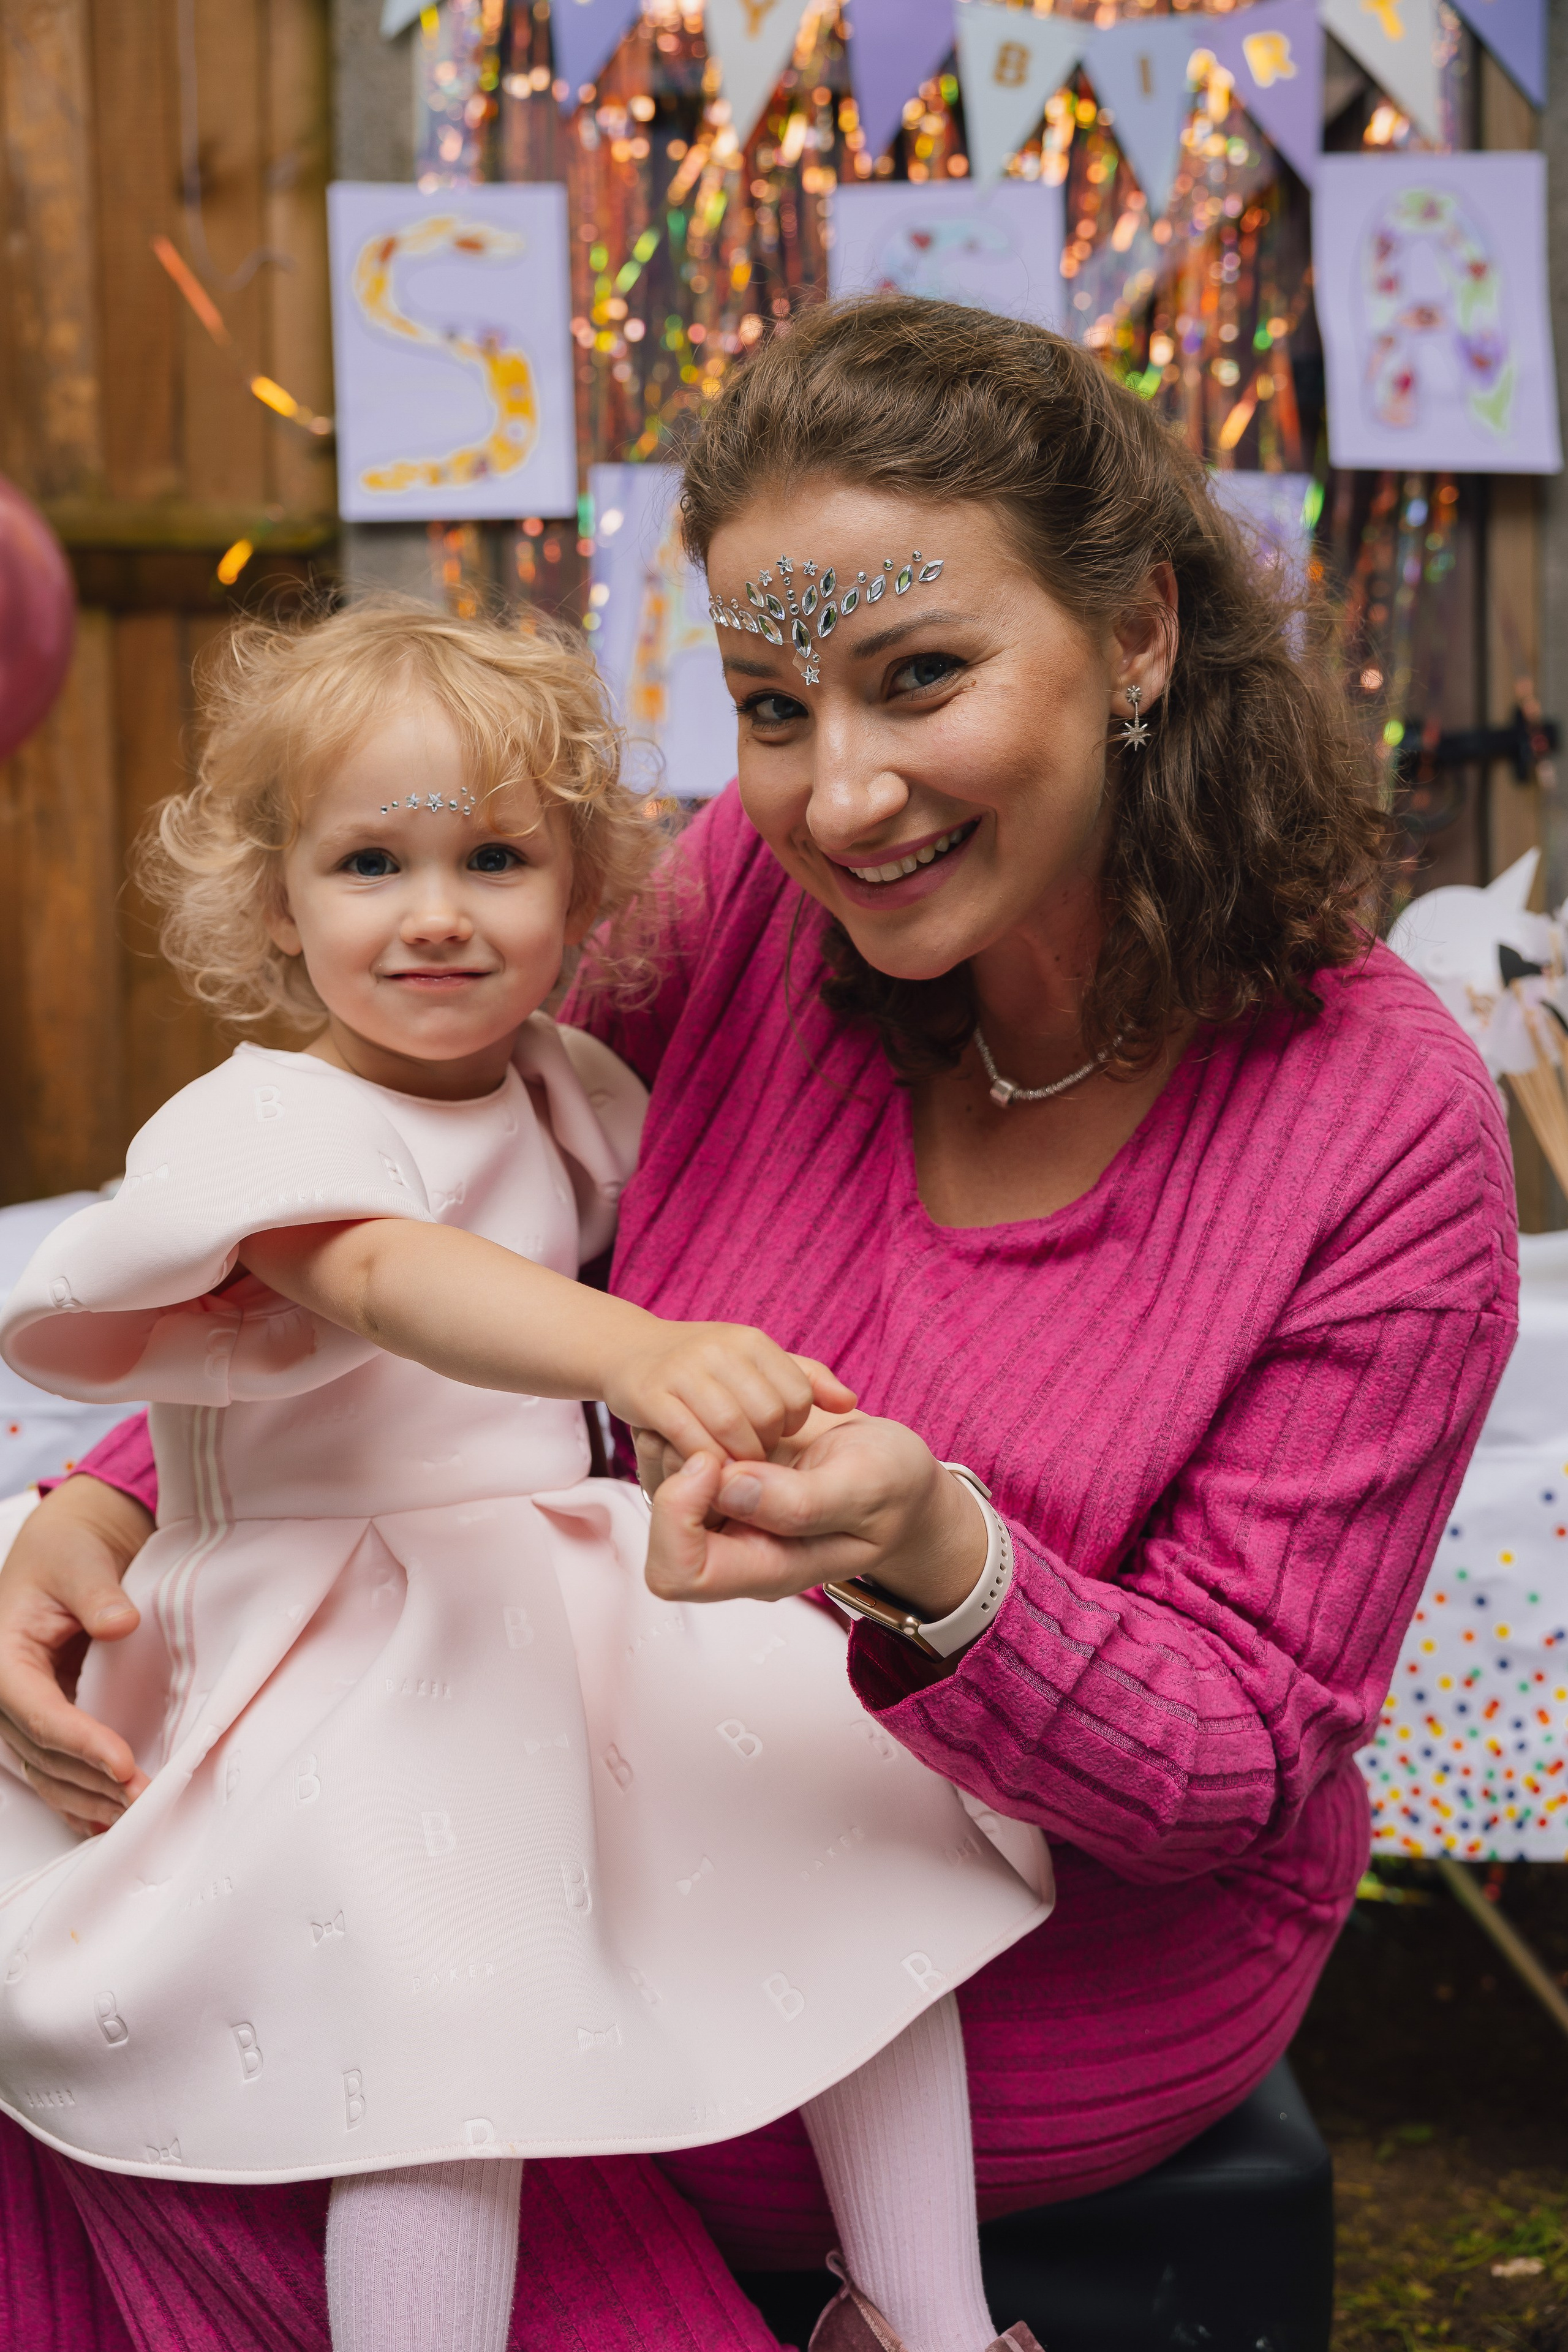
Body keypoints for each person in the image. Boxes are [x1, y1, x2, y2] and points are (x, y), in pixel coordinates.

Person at [0, 298, 1517, 2352]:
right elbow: (421, 1197)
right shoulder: (756, 902)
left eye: (922, 676)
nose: (845, 793)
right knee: (115, 1943)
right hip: (594, 1813)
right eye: (772, 706)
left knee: (213, 2043)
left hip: (1021, 1962)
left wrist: (947, 1568)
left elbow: (1238, 1765)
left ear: (1140, 631)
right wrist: (121, 1496)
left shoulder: (1377, 1119)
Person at [0, 595, 1052, 2352]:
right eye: (368, 864)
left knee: (849, 1858)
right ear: (278, 900)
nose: (436, 913)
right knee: (436, 2041)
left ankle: (925, 2322)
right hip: (344, 1643)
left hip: (557, 1597)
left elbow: (678, 1216)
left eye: (494, 859)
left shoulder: (565, 1087)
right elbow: (383, 1276)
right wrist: (635, 1353)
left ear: (576, 898)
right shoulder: (265, 1120)